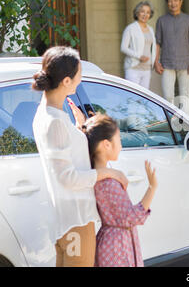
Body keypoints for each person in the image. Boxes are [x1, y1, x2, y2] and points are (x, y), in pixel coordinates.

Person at [32, 46, 129, 267]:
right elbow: (67, 177)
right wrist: (108, 173)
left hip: (68, 221)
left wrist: (78, 128)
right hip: (75, 222)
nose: (80, 80)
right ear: (66, 81)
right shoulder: (54, 121)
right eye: (79, 75)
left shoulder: (50, 114)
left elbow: (66, 155)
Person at [81, 114, 157, 267]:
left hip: (112, 244)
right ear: (106, 145)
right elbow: (132, 216)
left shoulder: (99, 177)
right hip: (117, 249)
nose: (121, 146)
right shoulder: (108, 182)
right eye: (119, 141)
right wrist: (152, 187)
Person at [154, 0, 189, 115]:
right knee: (168, 96)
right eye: (170, 1)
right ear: (167, 3)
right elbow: (158, 42)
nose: (173, 3)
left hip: (185, 64)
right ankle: (172, 124)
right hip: (166, 64)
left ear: (181, 2)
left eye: (175, 0)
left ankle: (185, 125)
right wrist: (156, 61)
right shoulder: (161, 21)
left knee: (185, 96)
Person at [121, 0, 157, 89]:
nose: (145, 15)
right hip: (133, 68)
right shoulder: (130, 28)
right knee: (132, 98)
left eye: (148, 12)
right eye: (142, 11)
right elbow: (123, 48)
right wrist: (139, 56)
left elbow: (153, 48)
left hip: (147, 69)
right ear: (137, 13)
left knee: (143, 100)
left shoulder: (150, 29)